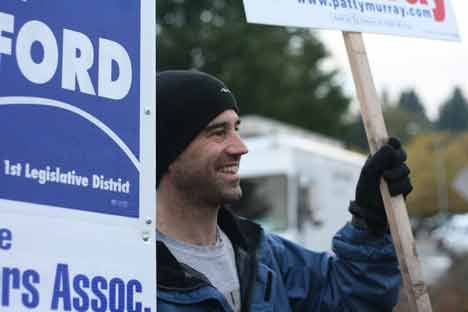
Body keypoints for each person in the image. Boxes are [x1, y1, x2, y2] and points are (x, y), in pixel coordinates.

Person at [156, 70, 412, 312]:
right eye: (218, 132)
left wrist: (371, 221)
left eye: (236, 128)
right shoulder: (130, 276)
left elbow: (351, 297)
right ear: (169, 151)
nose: (241, 147)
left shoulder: (262, 253)